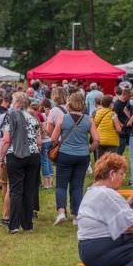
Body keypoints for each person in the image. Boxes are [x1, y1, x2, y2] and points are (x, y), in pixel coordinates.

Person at [51, 92, 99, 226]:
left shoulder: (62, 118)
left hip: (65, 155)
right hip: (82, 156)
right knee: (77, 186)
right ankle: (76, 215)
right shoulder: (88, 119)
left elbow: (54, 139)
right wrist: (88, 149)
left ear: (69, 103)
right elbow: (97, 140)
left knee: (61, 184)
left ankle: (61, 212)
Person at [0, 92, 41, 234]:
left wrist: (0, 158)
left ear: (15, 102)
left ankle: (14, 225)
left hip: (16, 154)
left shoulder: (10, 116)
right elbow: (38, 140)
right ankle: (27, 224)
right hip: (33, 154)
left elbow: (6, 139)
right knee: (28, 190)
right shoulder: (33, 117)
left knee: (16, 190)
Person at [113, 87, 131, 155]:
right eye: (129, 96)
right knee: (121, 147)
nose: (129, 98)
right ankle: (116, 161)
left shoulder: (127, 102)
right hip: (121, 128)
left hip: (128, 127)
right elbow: (115, 117)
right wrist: (121, 125)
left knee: (123, 147)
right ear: (125, 95)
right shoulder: (117, 104)